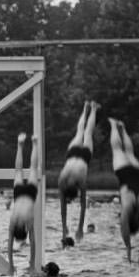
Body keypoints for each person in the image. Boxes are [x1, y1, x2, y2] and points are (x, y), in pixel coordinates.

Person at [109, 118, 139, 268]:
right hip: (125, 174)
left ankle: (123, 128)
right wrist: (128, 248)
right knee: (117, 149)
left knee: (129, 152)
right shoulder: (127, 208)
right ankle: (114, 126)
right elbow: (124, 229)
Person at [58, 101, 99, 243]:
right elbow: (80, 207)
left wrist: (74, 228)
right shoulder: (63, 181)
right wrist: (78, 228)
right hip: (72, 154)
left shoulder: (80, 182)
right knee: (82, 131)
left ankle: (91, 109)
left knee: (86, 132)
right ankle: (87, 107)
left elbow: (78, 208)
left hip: (84, 157)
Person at [8, 133, 40, 275]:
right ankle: (20, 145)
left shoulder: (28, 221)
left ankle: (34, 143)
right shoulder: (13, 222)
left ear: (25, 231)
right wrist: (11, 264)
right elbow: (9, 245)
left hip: (30, 194)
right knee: (19, 171)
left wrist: (31, 264)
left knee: (33, 169)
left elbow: (33, 243)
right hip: (19, 193)